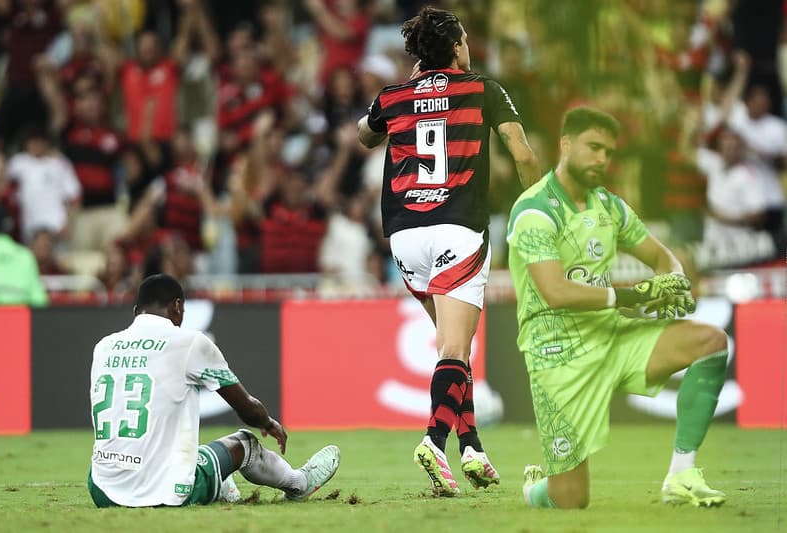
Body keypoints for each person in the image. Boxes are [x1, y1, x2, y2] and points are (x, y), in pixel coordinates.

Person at [357, 6, 540, 496]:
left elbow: (364, 135)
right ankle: (434, 442)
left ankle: (472, 447)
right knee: (456, 350)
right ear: (457, 46)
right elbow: (522, 154)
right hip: (456, 228)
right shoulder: (483, 89)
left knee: (451, 349)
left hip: (405, 238)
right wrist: (544, 209)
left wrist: (410, 90)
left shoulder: (393, 95)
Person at [506, 107, 728, 509]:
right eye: (593, 147)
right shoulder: (534, 210)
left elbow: (662, 258)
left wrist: (673, 281)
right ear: (566, 144)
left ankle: (681, 475)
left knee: (710, 343)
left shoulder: (609, 207)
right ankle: (536, 487)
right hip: (557, 356)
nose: (602, 159)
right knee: (571, 500)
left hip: (613, 338)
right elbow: (555, 292)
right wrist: (634, 296)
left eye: (608, 152)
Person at [88, 274, 340, 507]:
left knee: (178, 451)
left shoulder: (104, 347)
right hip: (162, 491)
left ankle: (220, 483)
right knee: (245, 443)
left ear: (136, 312)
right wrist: (267, 422)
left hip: (102, 490)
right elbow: (247, 409)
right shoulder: (188, 343)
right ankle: (299, 483)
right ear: (177, 306)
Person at [0, 201, 48, 306]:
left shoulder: (26, 256)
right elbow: (39, 300)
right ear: (10, 226)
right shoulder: (25, 256)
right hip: (19, 315)